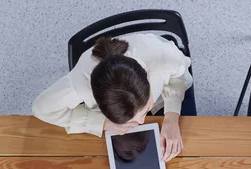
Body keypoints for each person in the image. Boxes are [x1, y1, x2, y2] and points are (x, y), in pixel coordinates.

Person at [32, 34, 194, 162]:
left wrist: (172, 118)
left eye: (144, 111)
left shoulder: (161, 55)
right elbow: (41, 108)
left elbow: (180, 74)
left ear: (147, 81)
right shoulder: (80, 83)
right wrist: (102, 123)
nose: (142, 122)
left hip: (164, 102)